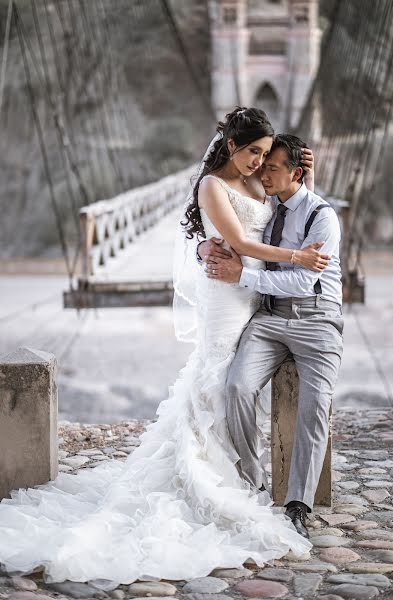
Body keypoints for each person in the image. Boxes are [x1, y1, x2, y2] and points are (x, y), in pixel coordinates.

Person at [0, 109, 327, 589]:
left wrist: (307, 177)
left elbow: (287, 208)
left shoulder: (258, 183)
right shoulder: (212, 186)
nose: (259, 162)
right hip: (227, 293)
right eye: (253, 152)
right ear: (231, 146)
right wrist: (295, 257)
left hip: (254, 290)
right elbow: (234, 239)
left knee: (237, 376)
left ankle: (239, 467)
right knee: (217, 374)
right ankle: (212, 472)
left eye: (264, 154)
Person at [199, 133, 343, 539]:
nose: (261, 172)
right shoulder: (269, 201)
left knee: (316, 405)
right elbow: (227, 228)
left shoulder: (323, 217)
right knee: (238, 388)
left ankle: (298, 503)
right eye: (259, 164)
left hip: (317, 322)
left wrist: (240, 275)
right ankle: (252, 479)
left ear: (295, 173)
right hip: (268, 319)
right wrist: (204, 251)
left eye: (271, 167)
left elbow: (303, 281)